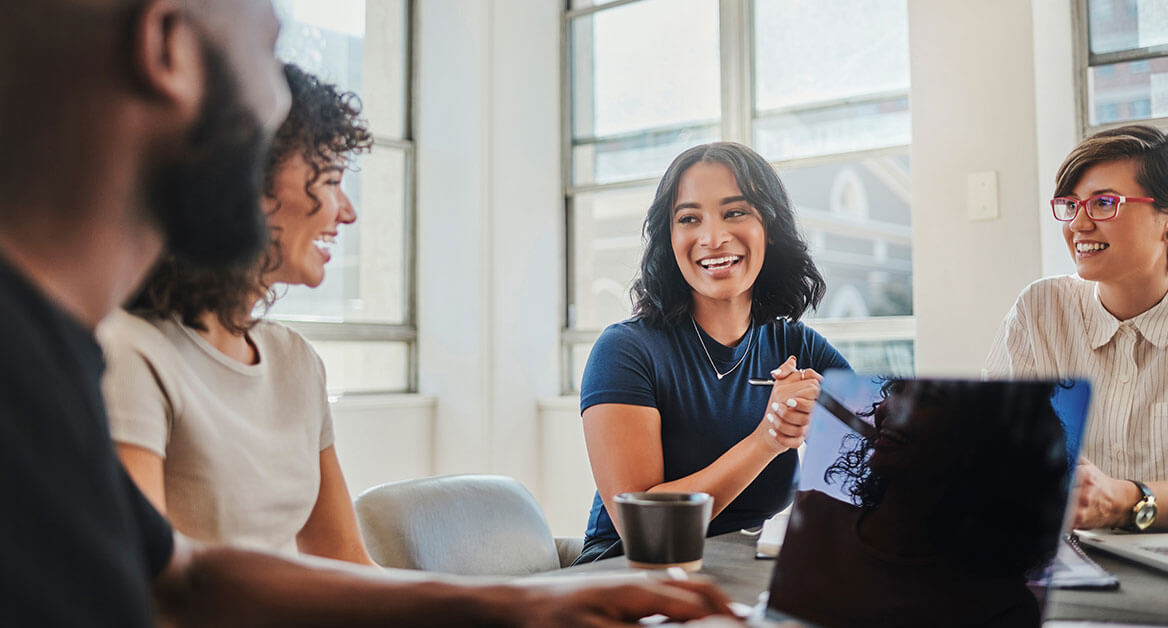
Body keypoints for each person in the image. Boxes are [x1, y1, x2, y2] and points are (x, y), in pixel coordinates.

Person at [0, 1, 731, 625]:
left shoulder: (55, 356)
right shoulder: (83, 361)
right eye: (267, 47)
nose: (275, 105)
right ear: (171, 48)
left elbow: (182, 573)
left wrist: (518, 604)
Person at [98, 63, 373, 564]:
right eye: (331, 178)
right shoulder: (130, 352)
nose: (347, 211)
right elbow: (156, 586)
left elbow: (346, 559)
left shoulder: (297, 361)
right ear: (254, 181)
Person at [577, 142, 850, 564]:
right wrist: (770, 438)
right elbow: (643, 527)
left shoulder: (798, 346)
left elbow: (886, 454)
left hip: (748, 568)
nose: (713, 237)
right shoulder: (625, 351)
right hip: (631, 572)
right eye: (689, 218)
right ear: (669, 239)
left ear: (769, 227)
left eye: (735, 212)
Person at [985, 125, 1168, 532]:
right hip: (1059, 560)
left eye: (1104, 203)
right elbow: (994, 447)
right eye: (1071, 205)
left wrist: (1124, 500)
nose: (1078, 225)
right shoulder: (1040, 310)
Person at [770, 379, 1069, 628]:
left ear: (985, 445)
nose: (890, 408)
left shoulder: (1002, 609)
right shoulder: (809, 518)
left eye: (928, 399)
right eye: (899, 390)